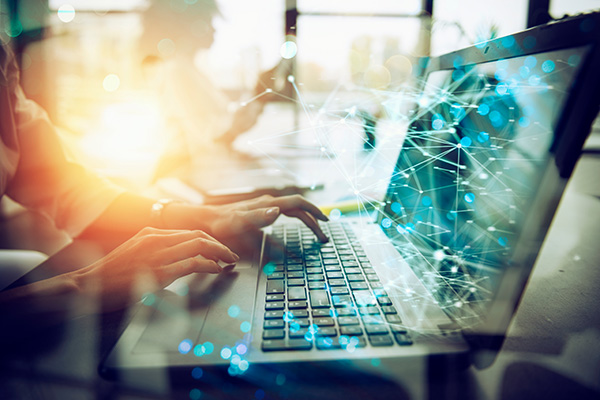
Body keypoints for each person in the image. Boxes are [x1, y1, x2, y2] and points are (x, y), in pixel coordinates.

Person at [0, 40, 328, 340]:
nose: (213, 27)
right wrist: (82, 284)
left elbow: (67, 188)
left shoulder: (3, 59)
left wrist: (208, 216)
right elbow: (217, 131)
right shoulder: (178, 69)